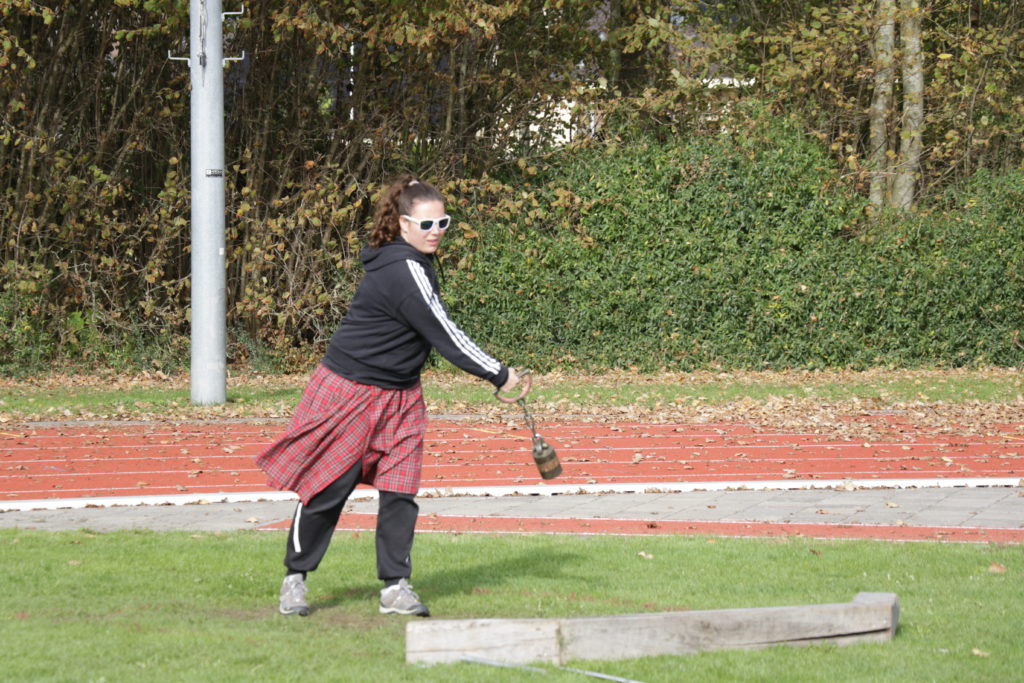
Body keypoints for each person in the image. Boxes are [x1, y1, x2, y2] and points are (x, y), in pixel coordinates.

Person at [256, 175, 520, 618]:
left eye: (443, 223)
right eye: (426, 224)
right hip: (350, 391)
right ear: (402, 224)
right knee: (327, 490)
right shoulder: (403, 269)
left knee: (400, 494)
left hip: (401, 395)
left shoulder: (416, 261)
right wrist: (499, 373)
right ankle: (294, 579)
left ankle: (395, 587)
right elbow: (443, 332)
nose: (435, 231)